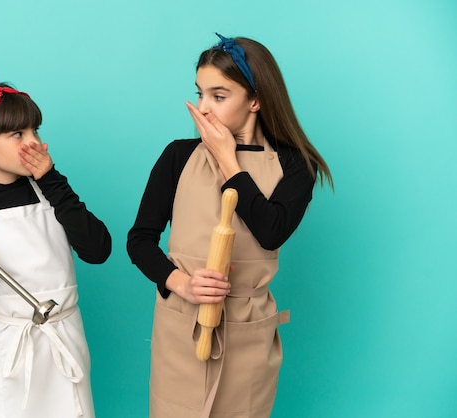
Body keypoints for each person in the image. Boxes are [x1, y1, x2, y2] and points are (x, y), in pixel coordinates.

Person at [127, 33, 333, 418]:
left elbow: (270, 231)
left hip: (247, 333)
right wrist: (182, 283)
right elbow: (139, 241)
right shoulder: (178, 156)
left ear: (255, 100)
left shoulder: (295, 166)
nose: (203, 108)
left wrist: (228, 161)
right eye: (200, 94)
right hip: (181, 328)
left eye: (218, 96)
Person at [0, 70, 111, 418]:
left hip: (64, 337)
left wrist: (54, 180)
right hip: (9, 352)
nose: (35, 143)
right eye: (17, 133)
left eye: (35, 131)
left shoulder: (51, 191)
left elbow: (98, 250)